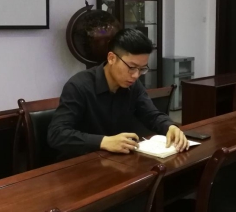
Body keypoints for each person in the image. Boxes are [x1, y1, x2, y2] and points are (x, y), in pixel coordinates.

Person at [48, 28, 189, 160]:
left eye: (142, 69)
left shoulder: (133, 86)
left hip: (119, 160)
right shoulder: (78, 86)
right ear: (111, 58)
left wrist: (170, 127)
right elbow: (57, 134)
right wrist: (104, 141)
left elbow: (151, 115)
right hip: (82, 163)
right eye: (131, 67)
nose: (136, 75)